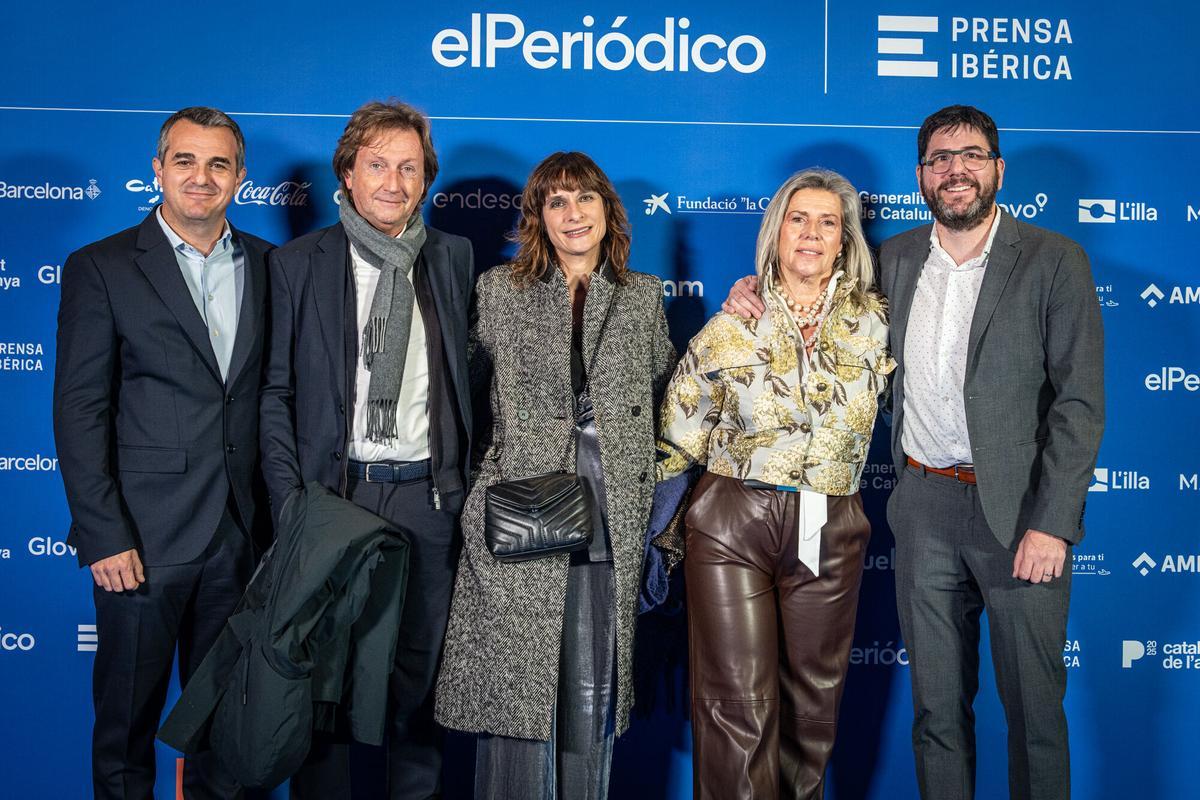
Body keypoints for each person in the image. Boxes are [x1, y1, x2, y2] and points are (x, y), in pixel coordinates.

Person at [724, 106, 1104, 800]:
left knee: (1035, 713)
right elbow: (813, 308)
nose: (954, 170)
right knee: (936, 713)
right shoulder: (892, 262)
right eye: (938, 159)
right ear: (922, 176)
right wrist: (752, 292)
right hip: (925, 504)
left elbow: (1079, 405)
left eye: (970, 156)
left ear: (997, 169)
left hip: (1020, 512)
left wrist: (1053, 522)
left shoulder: (1055, 261)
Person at [433, 151, 677, 800]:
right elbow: (458, 404)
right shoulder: (499, 293)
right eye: (558, 200)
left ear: (608, 211)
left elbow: (671, 404)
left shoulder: (643, 297)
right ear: (539, 216)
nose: (574, 213)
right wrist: (478, 497)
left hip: (609, 528)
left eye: (586, 198)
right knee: (517, 708)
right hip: (519, 524)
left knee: (589, 703)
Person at [258, 100, 475, 799]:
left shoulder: (452, 258)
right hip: (334, 495)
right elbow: (276, 395)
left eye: (408, 167)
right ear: (346, 175)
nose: (393, 180)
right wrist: (295, 504)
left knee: (416, 680)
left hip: (426, 498)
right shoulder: (297, 264)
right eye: (377, 164)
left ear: (426, 180)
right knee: (327, 682)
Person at [53, 106, 272, 799]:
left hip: (242, 538)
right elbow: (79, 410)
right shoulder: (103, 267)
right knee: (126, 728)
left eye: (217, 164)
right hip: (141, 543)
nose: (200, 178)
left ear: (240, 176)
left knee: (222, 731)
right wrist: (103, 534)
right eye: (185, 161)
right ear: (158, 169)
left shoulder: (273, 265)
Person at [659, 168, 894, 799]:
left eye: (827, 222)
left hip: (830, 521)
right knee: (736, 702)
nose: (812, 234)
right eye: (798, 219)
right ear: (776, 233)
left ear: (845, 240)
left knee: (811, 708)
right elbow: (677, 435)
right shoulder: (734, 322)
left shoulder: (877, 320)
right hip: (733, 520)